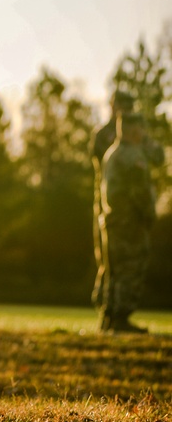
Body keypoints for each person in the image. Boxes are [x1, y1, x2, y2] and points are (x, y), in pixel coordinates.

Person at [97, 111, 156, 334]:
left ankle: (109, 319)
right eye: (140, 128)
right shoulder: (132, 155)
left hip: (112, 220)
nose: (142, 133)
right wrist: (148, 213)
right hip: (128, 222)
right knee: (130, 269)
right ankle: (121, 319)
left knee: (113, 271)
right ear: (133, 130)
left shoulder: (112, 153)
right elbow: (139, 189)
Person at [90, 90, 135, 312]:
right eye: (122, 106)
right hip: (106, 202)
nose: (125, 111)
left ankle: (115, 307)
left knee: (126, 259)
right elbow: (107, 162)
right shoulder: (103, 134)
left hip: (130, 205)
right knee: (107, 257)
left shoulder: (135, 136)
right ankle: (105, 304)